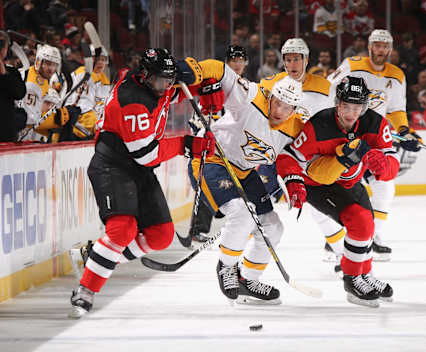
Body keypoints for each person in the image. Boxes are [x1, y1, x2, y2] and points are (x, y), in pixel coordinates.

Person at [68, 48, 218, 318]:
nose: (167, 87)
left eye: (170, 80)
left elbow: (194, 75)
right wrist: (187, 144)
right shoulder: (132, 100)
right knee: (122, 230)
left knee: (161, 235)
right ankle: (85, 290)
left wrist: (210, 85)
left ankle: (96, 256)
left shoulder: (158, 82)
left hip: (136, 169)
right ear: (146, 76)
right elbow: (147, 155)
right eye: (162, 81)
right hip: (113, 166)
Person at [189, 58, 304, 305]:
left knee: (273, 226)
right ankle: (227, 266)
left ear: (295, 110)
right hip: (214, 160)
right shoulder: (251, 95)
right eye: (278, 102)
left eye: (288, 108)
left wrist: (295, 180)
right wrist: (193, 70)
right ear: (271, 96)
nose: (280, 110)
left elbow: (292, 156)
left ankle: (248, 280)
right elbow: (221, 71)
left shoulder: (295, 127)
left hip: (244, 171)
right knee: (242, 214)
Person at [277, 76, 399, 307]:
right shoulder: (320, 125)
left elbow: (392, 164)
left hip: (349, 181)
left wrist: (384, 166)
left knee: (368, 227)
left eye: (357, 107)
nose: (351, 114)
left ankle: (364, 274)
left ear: (364, 107)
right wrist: (293, 181)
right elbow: (288, 156)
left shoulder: (375, 124)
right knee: (361, 222)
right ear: (337, 103)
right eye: (346, 106)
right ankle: (352, 280)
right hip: (318, 184)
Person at [327, 29, 422, 261]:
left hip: (375, 134)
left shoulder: (397, 75)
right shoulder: (352, 64)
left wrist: (403, 130)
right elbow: (328, 91)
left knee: (386, 185)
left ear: (390, 49)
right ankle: (335, 241)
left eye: (384, 46)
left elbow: (396, 109)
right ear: (369, 47)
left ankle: (374, 237)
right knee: (346, 187)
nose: (380, 50)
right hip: (347, 133)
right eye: (376, 45)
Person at [260, 38, 346, 273]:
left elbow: (338, 114)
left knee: (318, 209)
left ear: (306, 60)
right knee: (257, 209)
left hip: (306, 156)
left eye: (297, 58)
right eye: (288, 59)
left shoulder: (324, 86)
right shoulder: (269, 84)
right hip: (272, 155)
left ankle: (344, 254)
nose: (292, 63)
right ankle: (245, 262)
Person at [185, 44, 249, 245]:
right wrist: (203, 134)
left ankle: (242, 227)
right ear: (226, 63)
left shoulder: (246, 87)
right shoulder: (215, 83)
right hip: (213, 146)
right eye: (233, 61)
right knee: (208, 184)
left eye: (241, 60)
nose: (237, 64)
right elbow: (200, 116)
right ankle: (198, 229)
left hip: (234, 148)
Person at [18, 43, 76, 142]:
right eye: (48, 64)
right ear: (38, 62)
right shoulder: (32, 82)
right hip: (21, 136)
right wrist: (56, 119)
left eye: (54, 65)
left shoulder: (42, 79)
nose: (51, 69)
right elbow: (30, 119)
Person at [63, 45, 111, 141]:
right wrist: (99, 125)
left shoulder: (103, 78)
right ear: (91, 59)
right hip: (76, 126)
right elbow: (82, 108)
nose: (101, 62)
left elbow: (102, 105)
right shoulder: (84, 74)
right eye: (98, 59)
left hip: (92, 125)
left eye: (103, 59)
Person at [0, 30, 27, 142]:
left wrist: (3, 73)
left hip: (5, 134)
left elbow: (20, 93)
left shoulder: (12, 72)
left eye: (2, 45)